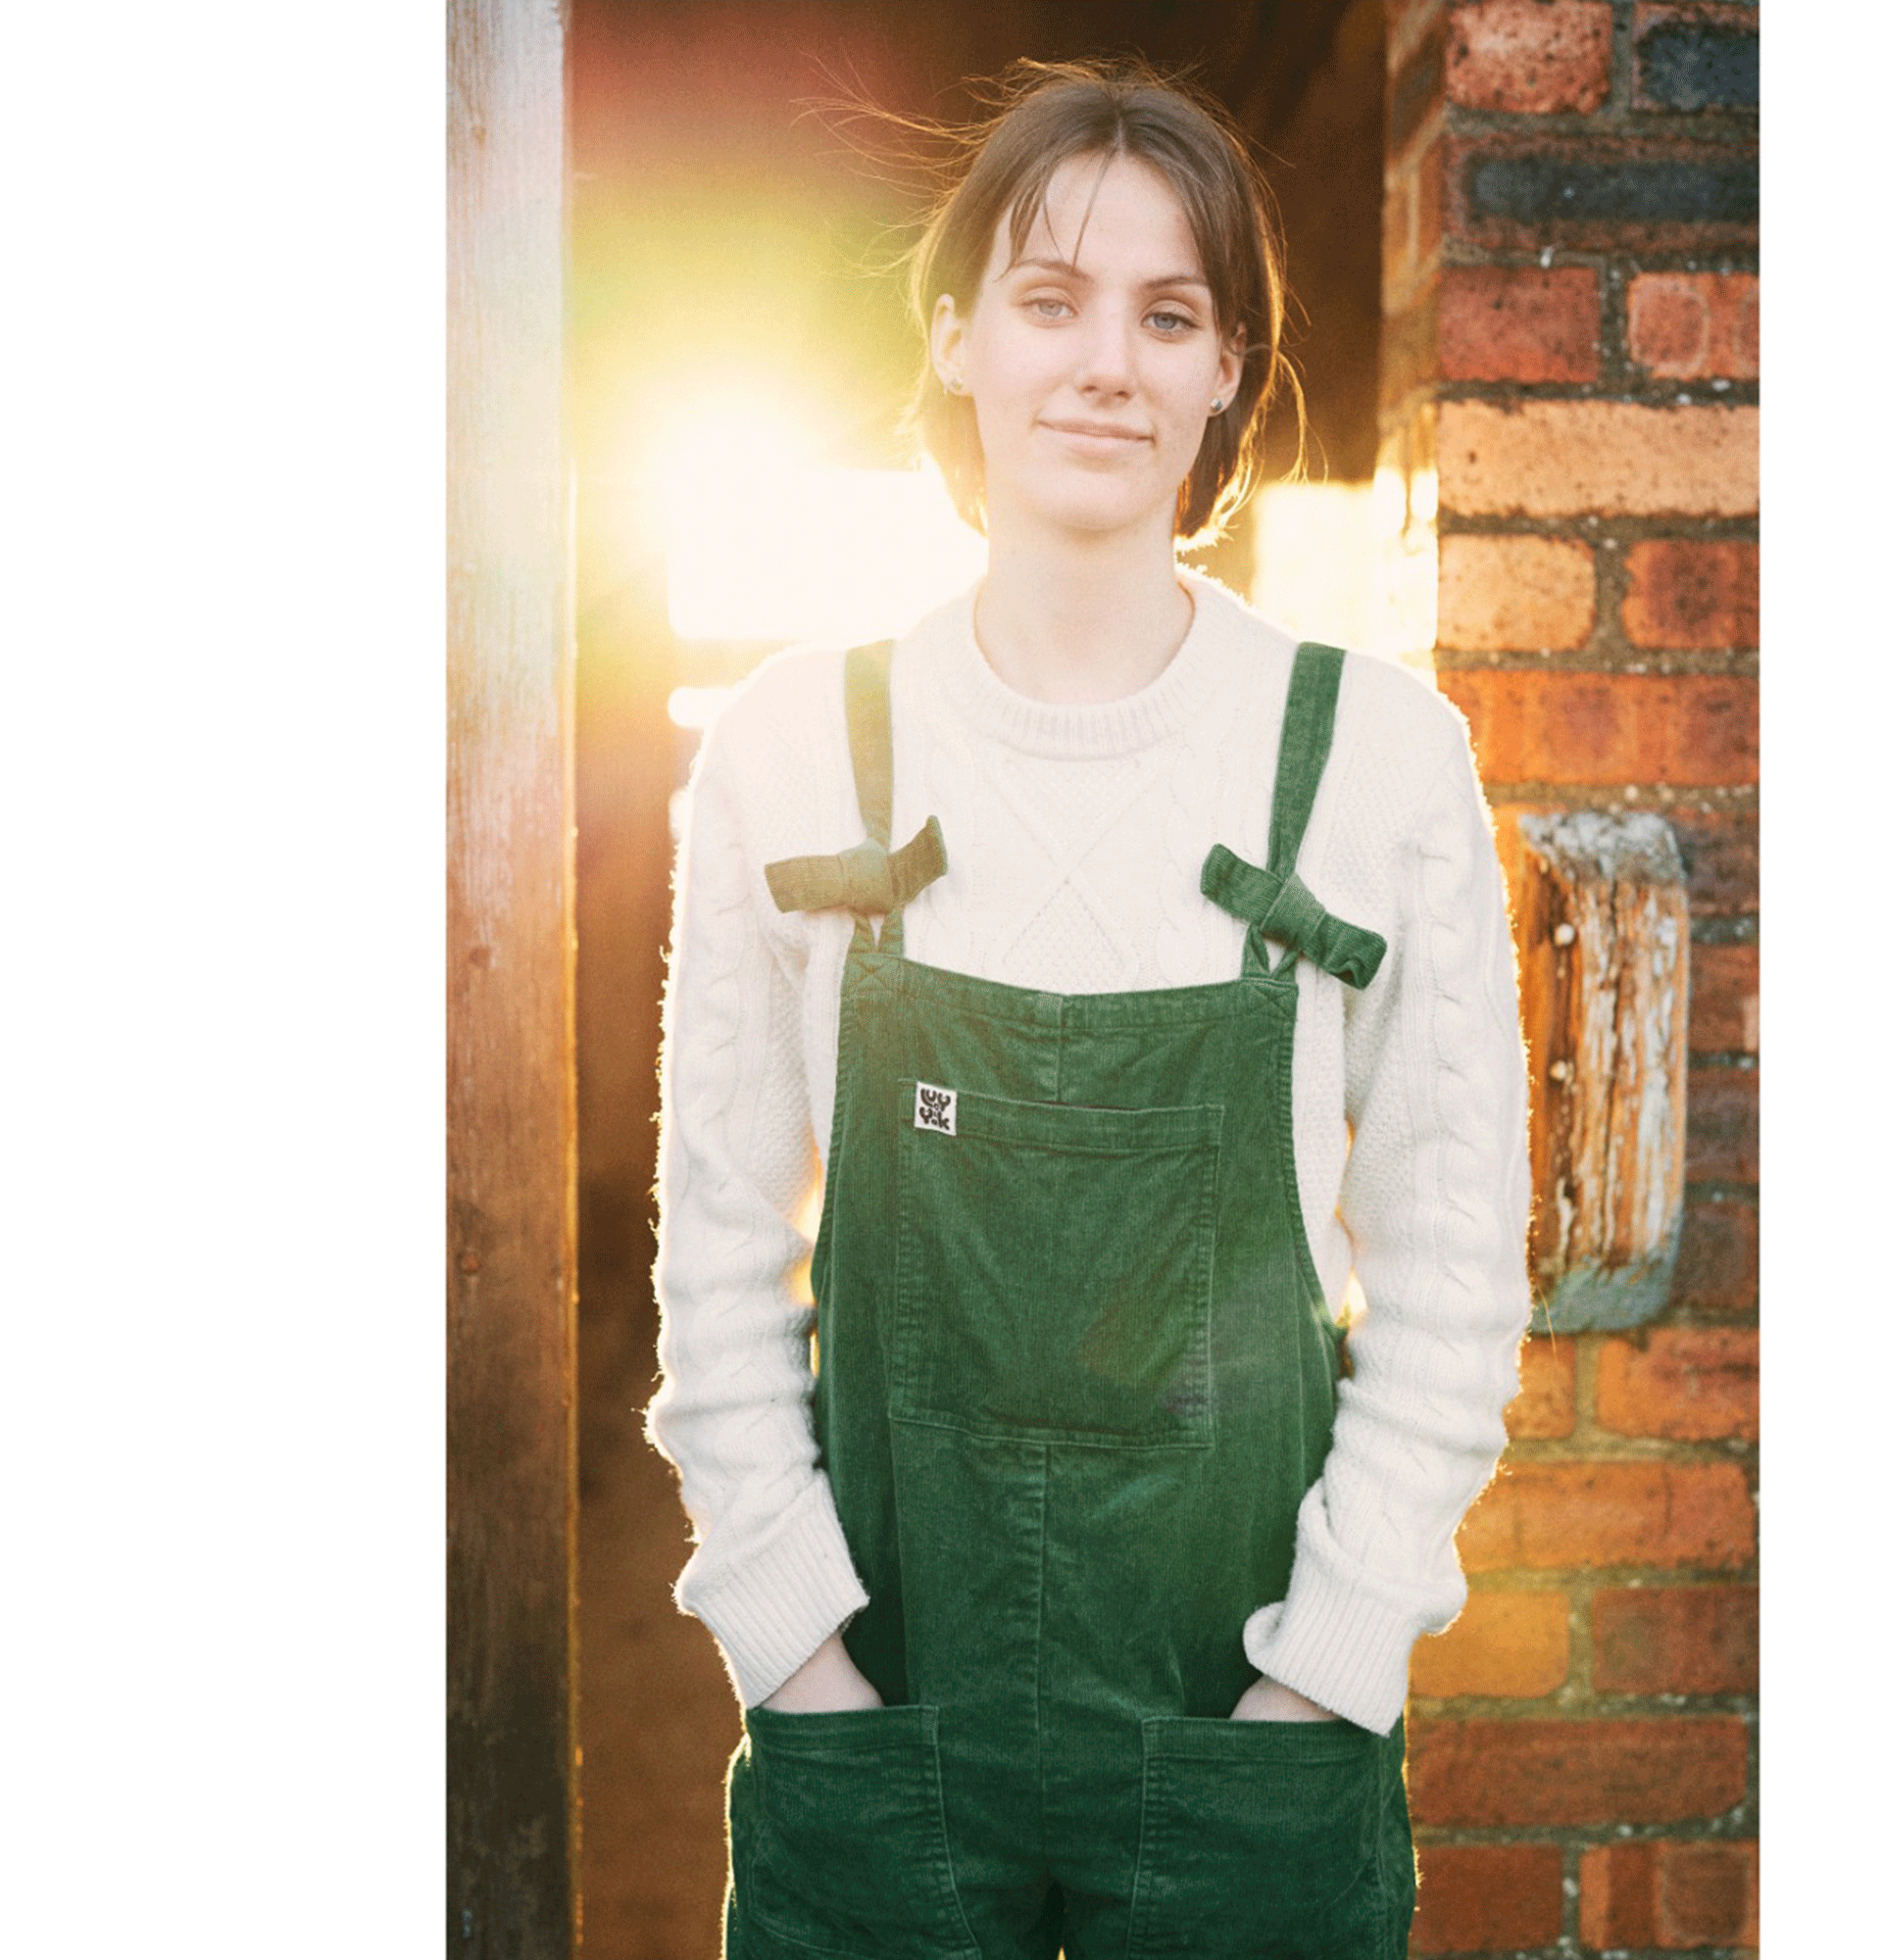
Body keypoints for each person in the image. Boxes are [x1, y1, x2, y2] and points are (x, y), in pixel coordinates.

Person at [647, 56, 1531, 1959]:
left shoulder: (1373, 760)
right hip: (878, 1753)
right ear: (958, 337)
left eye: (1169, 312)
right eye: (1051, 301)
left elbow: (1454, 1263)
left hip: (1247, 1769)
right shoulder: (798, 752)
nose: (1105, 363)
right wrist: (792, 1647)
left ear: (1229, 370)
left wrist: (1329, 1671)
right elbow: (716, 1246)